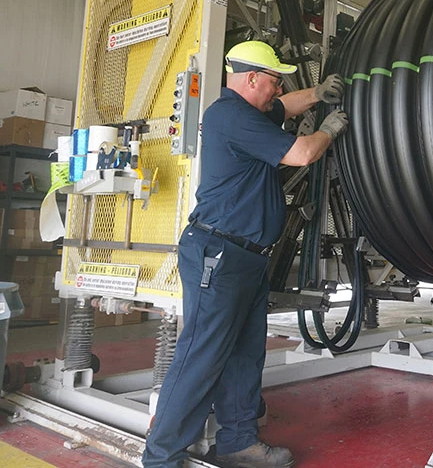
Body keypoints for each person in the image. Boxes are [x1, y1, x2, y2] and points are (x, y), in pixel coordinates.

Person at [142, 40, 348, 468]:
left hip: (248, 257)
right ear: (251, 78)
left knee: (244, 355)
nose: (276, 89)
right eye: (273, 81)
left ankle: (238, 442)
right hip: (219, 253)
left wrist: (316, 94)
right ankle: (161, 457)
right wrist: (329, 128)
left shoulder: (249, 111)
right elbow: (302, 153)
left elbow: (284, 108)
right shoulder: (231, 115)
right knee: (202, 355)